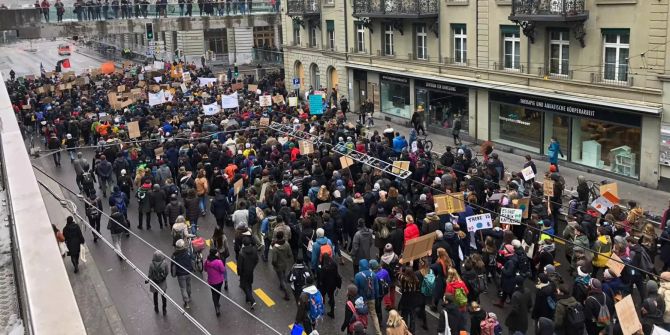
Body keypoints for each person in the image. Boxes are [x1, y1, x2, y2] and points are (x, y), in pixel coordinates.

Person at [354, 259, 381, 335]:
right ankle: (378, 332)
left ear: (361, 266)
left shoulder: (358, 276)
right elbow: (377, 288)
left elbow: (356, 290)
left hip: (362, 300)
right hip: (372, 298)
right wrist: (377, 298)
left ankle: (363, 330)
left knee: (362, 316)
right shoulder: (374, 274)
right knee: (374, 315)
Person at [270, 230, 294, 301]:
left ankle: (286, 294)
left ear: (277, 237)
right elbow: (290, 255)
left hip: (278, 265)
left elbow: (274, 260)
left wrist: (274, 265)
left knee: (281, 279)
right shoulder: (287, 244)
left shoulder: (275, 248)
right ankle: (282, 285)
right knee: (283, 275)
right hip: (285, 263)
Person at [171, 239, 194, 309]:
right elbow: (192, 259)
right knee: (189, 285)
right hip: (188, 272)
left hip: (180, 274)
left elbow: (173, 266)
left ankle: (186, 302)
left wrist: (173, 274)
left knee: (183, 288)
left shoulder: (174, 256)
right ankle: (189, 295)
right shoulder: (188, 252)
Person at [204, 249, 227, 316]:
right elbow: (223, 270)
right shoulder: (219, 262)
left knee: (213, 293)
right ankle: (217, 303)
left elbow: (205, 269)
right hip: (219, 280)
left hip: (211, 281)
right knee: (218, 292)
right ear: (215, 254)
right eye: (217, 253)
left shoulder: (206, 261)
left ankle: (216, 307)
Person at [238, 239, 258, 310]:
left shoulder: (241, 253)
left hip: (244, 272)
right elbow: (256, 260)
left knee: (243, 286)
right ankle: (247, 298)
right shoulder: (254, 250)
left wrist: (239, 273)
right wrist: (252, 267)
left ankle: (252, 300)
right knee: (249, 284)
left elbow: (239, 266)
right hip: (250, 271)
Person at [146, 250, 169, 315]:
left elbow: (150, 274)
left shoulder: (151, 264)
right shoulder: (165, 263)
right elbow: (167, 272)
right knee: (164, 296)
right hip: (162, 282)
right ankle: (164, 309)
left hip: (154, 282)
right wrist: (163, 277)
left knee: (155, 295)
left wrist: (148, 279)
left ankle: (156, 308)